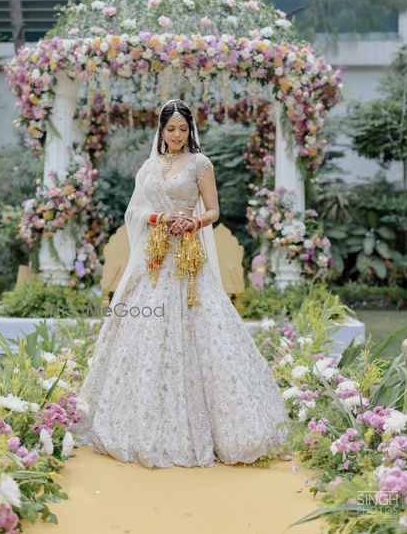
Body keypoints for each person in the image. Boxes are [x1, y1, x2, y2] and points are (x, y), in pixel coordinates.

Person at [73, 98, 291, 468]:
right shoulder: (150, 166)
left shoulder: (200, 164)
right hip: (155, 257)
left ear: (190, 130)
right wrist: (158, 216)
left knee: (204, 325)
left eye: (182, 128)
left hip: (188, 257)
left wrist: (192, 222)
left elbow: (213, 210)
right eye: (170, 128)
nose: (176, 135)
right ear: (161, 130)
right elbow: (134, 211)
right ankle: (139, 421)